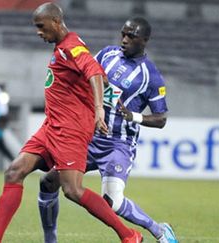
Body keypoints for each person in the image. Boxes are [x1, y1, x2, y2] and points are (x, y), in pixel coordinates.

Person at [0, 3, 142, 243]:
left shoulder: (72, 47)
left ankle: (129, 235)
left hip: (71, 130)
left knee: (72, 190)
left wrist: (98, 109)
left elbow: (95, 73)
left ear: (56, 22)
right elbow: (99, 79)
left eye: (41, 27)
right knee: (14, 171)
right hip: (51, 127)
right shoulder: (62, 48)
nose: (38, 32)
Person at [36, 17, 178, 243]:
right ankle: (50, 239)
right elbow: (86, 76)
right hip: (90, 137)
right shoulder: (108, 54)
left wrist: (133, 116)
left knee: (112, 200)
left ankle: (159, 230)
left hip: (118, 145)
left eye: (131, 36)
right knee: (49, 182)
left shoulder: (150, 75)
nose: (124, 39)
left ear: (145, 40)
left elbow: (161, 119)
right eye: (123, 34)